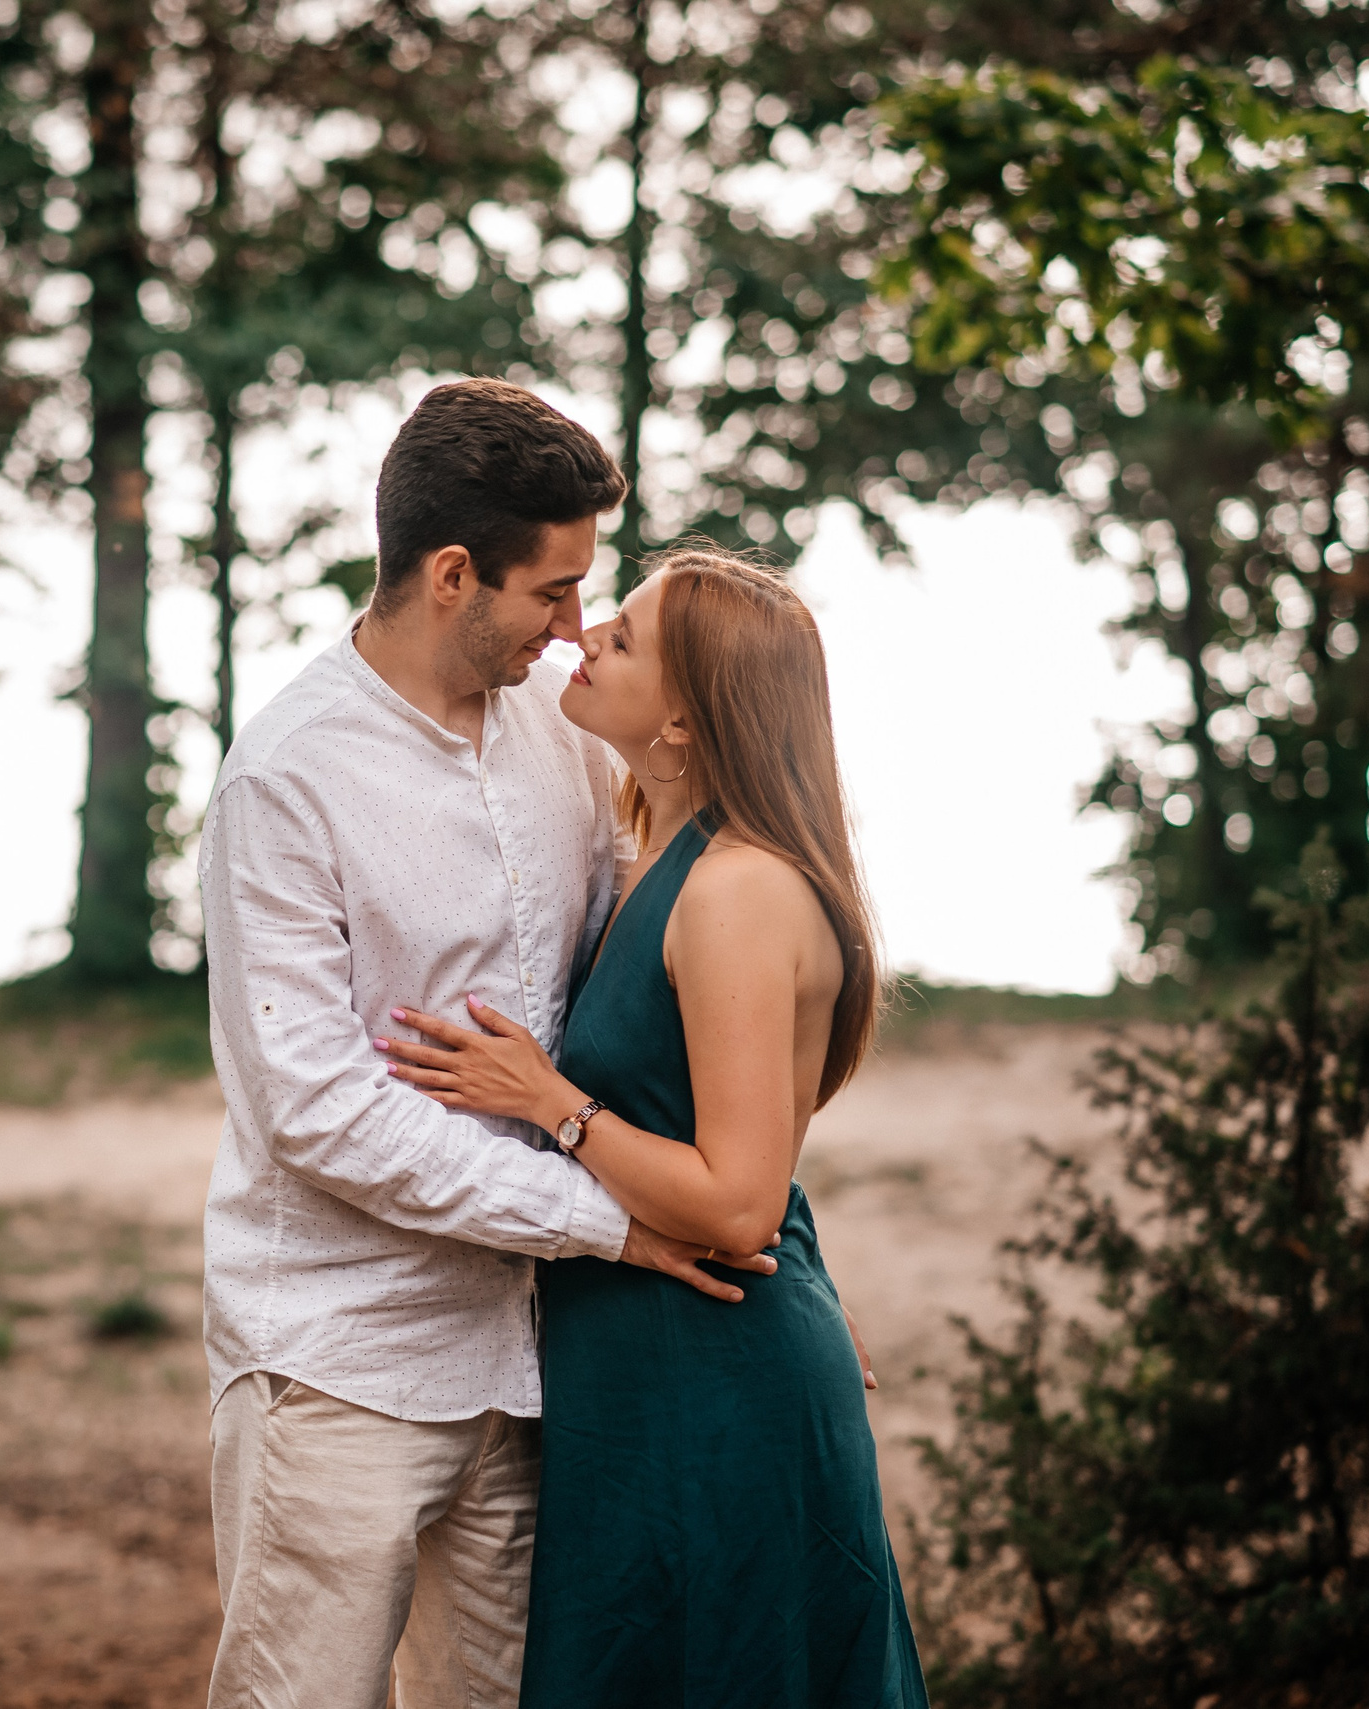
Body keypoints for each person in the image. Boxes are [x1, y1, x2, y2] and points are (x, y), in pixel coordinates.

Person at [196, 381, 777, 1709]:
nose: (574, 630)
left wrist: (772, 1246)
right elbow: (317, 1110)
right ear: (453, 573)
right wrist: (607, 1224)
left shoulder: (560, 736)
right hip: (337, 1362)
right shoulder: (285, 776)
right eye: (553, 593)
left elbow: (633, 1011)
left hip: (535, 1362)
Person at [380, 547, 929, 1708]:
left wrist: (550, 1101)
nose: (583, 636)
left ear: (682, 718)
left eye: (621, 637)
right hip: (645, 1376)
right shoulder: (658, 860)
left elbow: (736, 1199)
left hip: (713, 1384)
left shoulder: (735, 890)